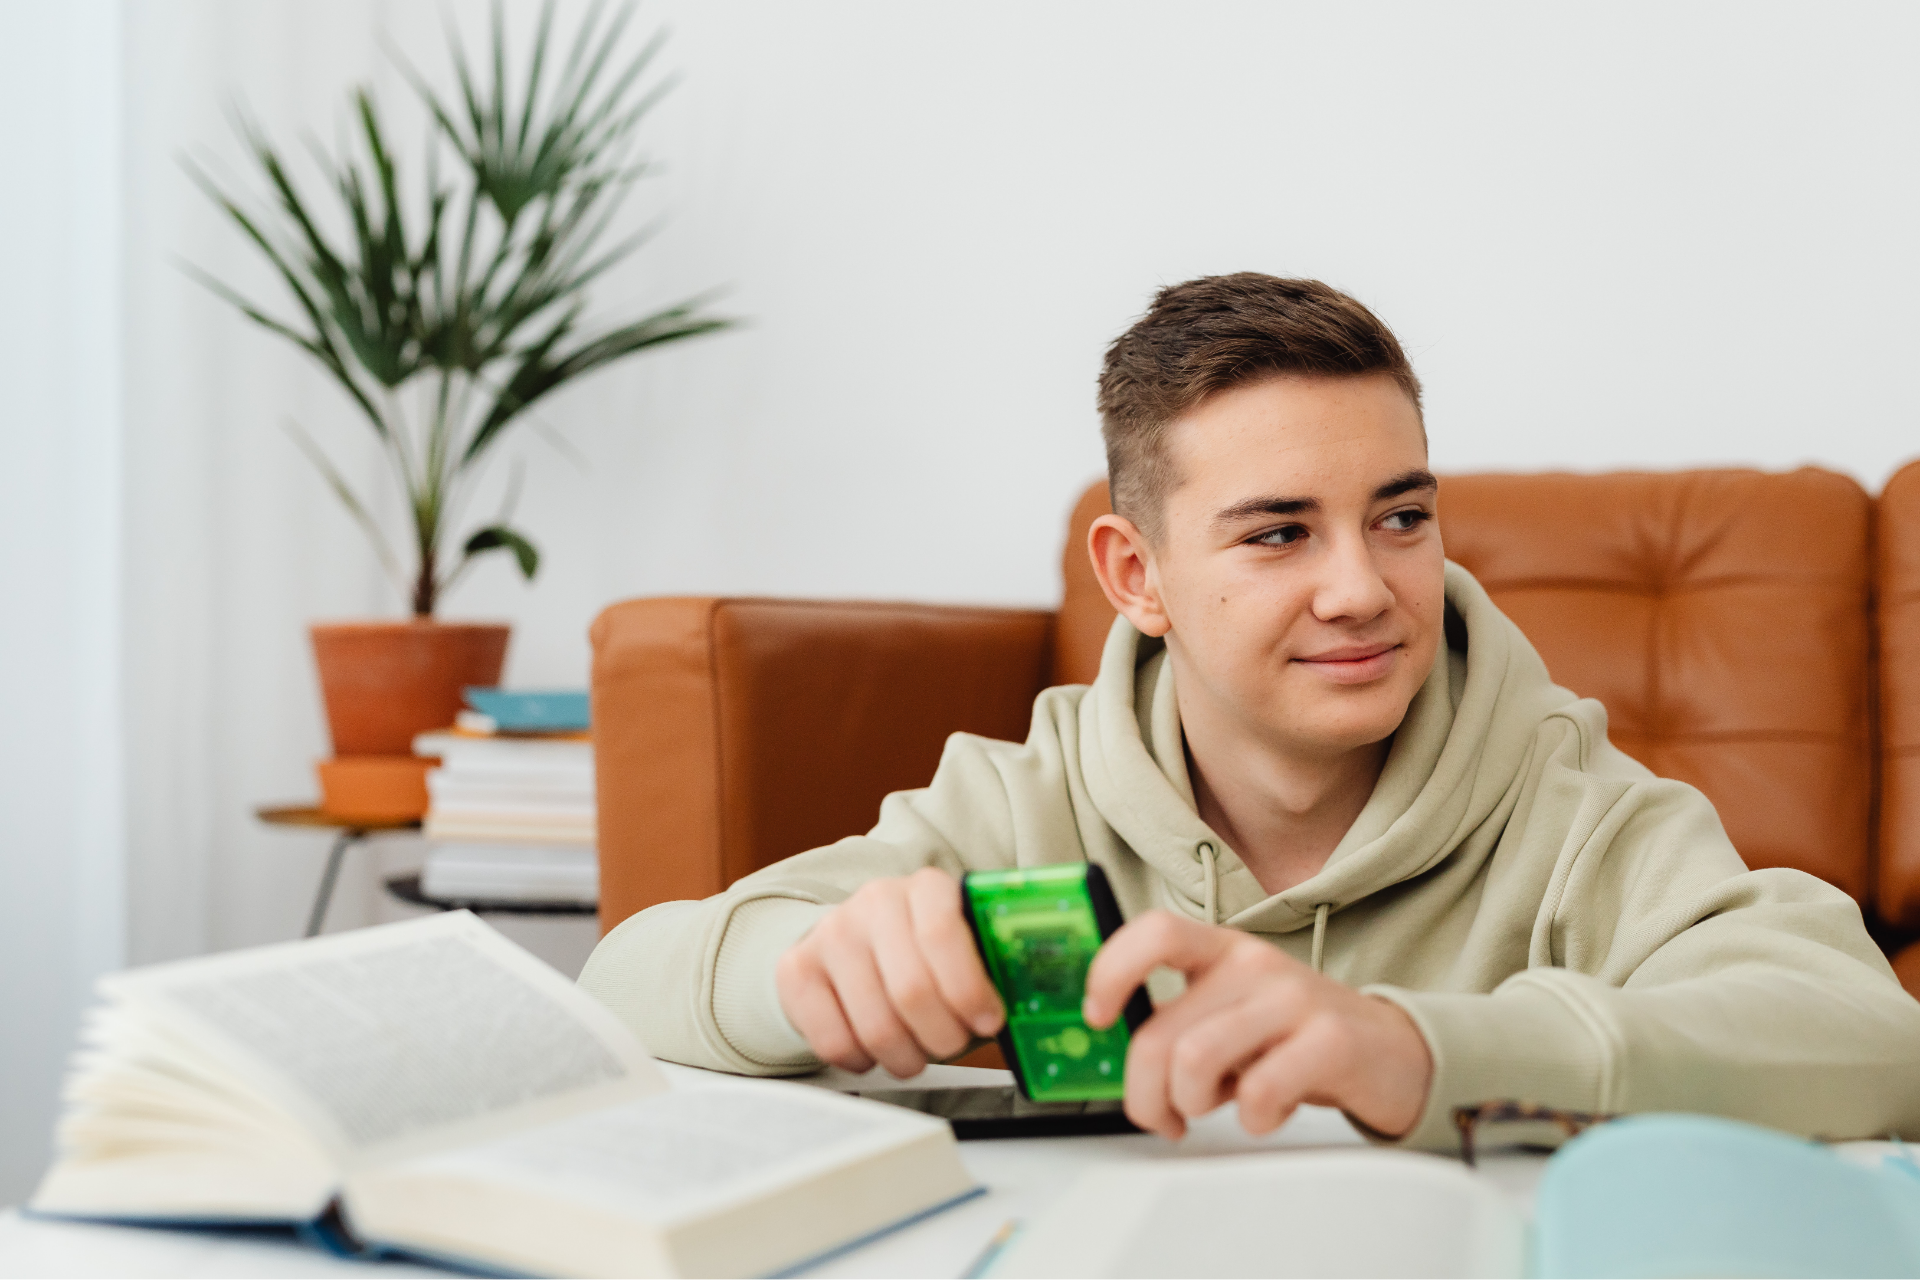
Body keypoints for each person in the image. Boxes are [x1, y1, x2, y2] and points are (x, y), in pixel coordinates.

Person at [579, 272, 1920, 1149]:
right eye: (1279, 534)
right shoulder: (1025, 799)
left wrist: (1416, 1049)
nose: (1367, 589)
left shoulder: (1567, 802)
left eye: (1401, 515)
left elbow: (1876, 1044)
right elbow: (621, 985)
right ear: (1136, 576)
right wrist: (802, 976)